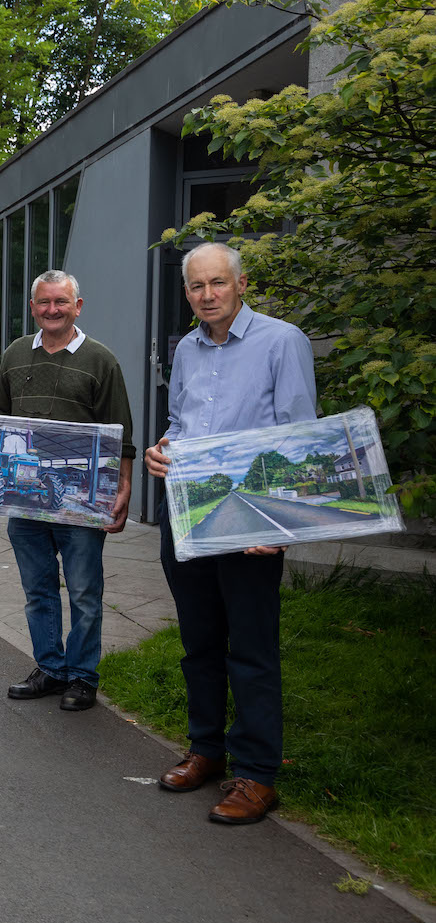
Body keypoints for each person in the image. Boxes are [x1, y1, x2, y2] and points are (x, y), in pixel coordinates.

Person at [145, 241, 316, 824]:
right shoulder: (187, 348)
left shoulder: (281, 341)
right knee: (199, 640)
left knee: (251, 646)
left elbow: (298, 439)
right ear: (187, 292)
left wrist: (283, 523)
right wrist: (161, 451)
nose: (207, 295)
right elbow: (183, 420)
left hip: (250, 516)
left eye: (218, 283)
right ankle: (207, 750)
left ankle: (257, 773)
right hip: (189, 508)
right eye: (196, 286)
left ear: (241, 284)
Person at [0, 270, 134, 713]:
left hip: (81, 502)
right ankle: (51, 669)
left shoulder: (101, 360)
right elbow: (1, 409)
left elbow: (120, 434)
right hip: (24, 497)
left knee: (84, 593)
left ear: (78, 305)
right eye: (44, 303)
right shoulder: (16, 353)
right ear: (33, 307)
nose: (52, 310)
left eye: (61, 302)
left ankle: (83, 677)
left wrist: (124, 485)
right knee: (38, 590)